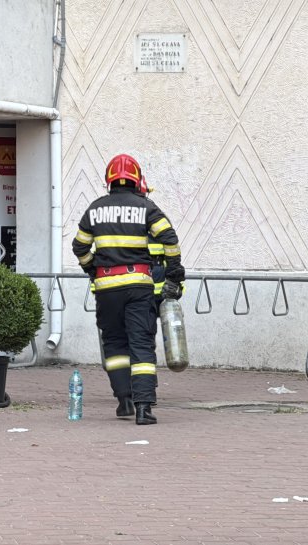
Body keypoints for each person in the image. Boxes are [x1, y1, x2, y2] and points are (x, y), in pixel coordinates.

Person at [71, 154, 185, 425]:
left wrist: (92, 268)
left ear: (109, 180)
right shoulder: (146, 207)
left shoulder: (95, 209)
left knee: (114, 343)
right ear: (136, 180)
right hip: (138, 286)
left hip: (107, 287)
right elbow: (169, 239)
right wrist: (174, 273)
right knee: (141, 344)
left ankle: (124, 402)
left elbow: (79, 246)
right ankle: (144, 408)